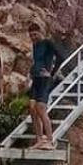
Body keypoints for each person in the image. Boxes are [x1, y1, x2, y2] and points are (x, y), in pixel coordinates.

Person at [27, 22, 62, 150]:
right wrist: (31, 72)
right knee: (32, 108)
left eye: (35, 35)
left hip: (45, 79)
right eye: (31, 36)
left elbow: (60, 57)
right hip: (36, 79)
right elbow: (37, 61)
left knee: (41, 108)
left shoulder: (48, 43)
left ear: (40, 32)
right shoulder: (35, 45)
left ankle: (50, 140)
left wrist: (51, 72)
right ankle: (39, 139)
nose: (33, 38)